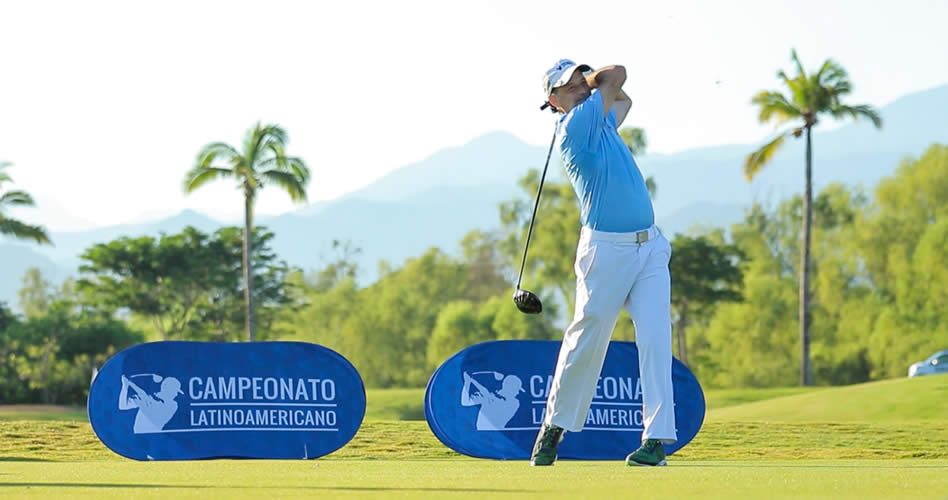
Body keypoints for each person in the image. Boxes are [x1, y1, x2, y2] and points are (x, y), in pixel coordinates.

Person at [530, 59, 676, 467]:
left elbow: (622, 95)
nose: (580, 86)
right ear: (553, 101)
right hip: (605, 251)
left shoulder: (600, 122)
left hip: (649, 248)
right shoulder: (575, 127)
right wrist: (591, 83)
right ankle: (554, 427)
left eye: (580, 78)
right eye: (569, 84)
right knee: (587, 337)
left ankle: (656, 441)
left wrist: (586, 85)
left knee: (655, 338)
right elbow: (617, 74)